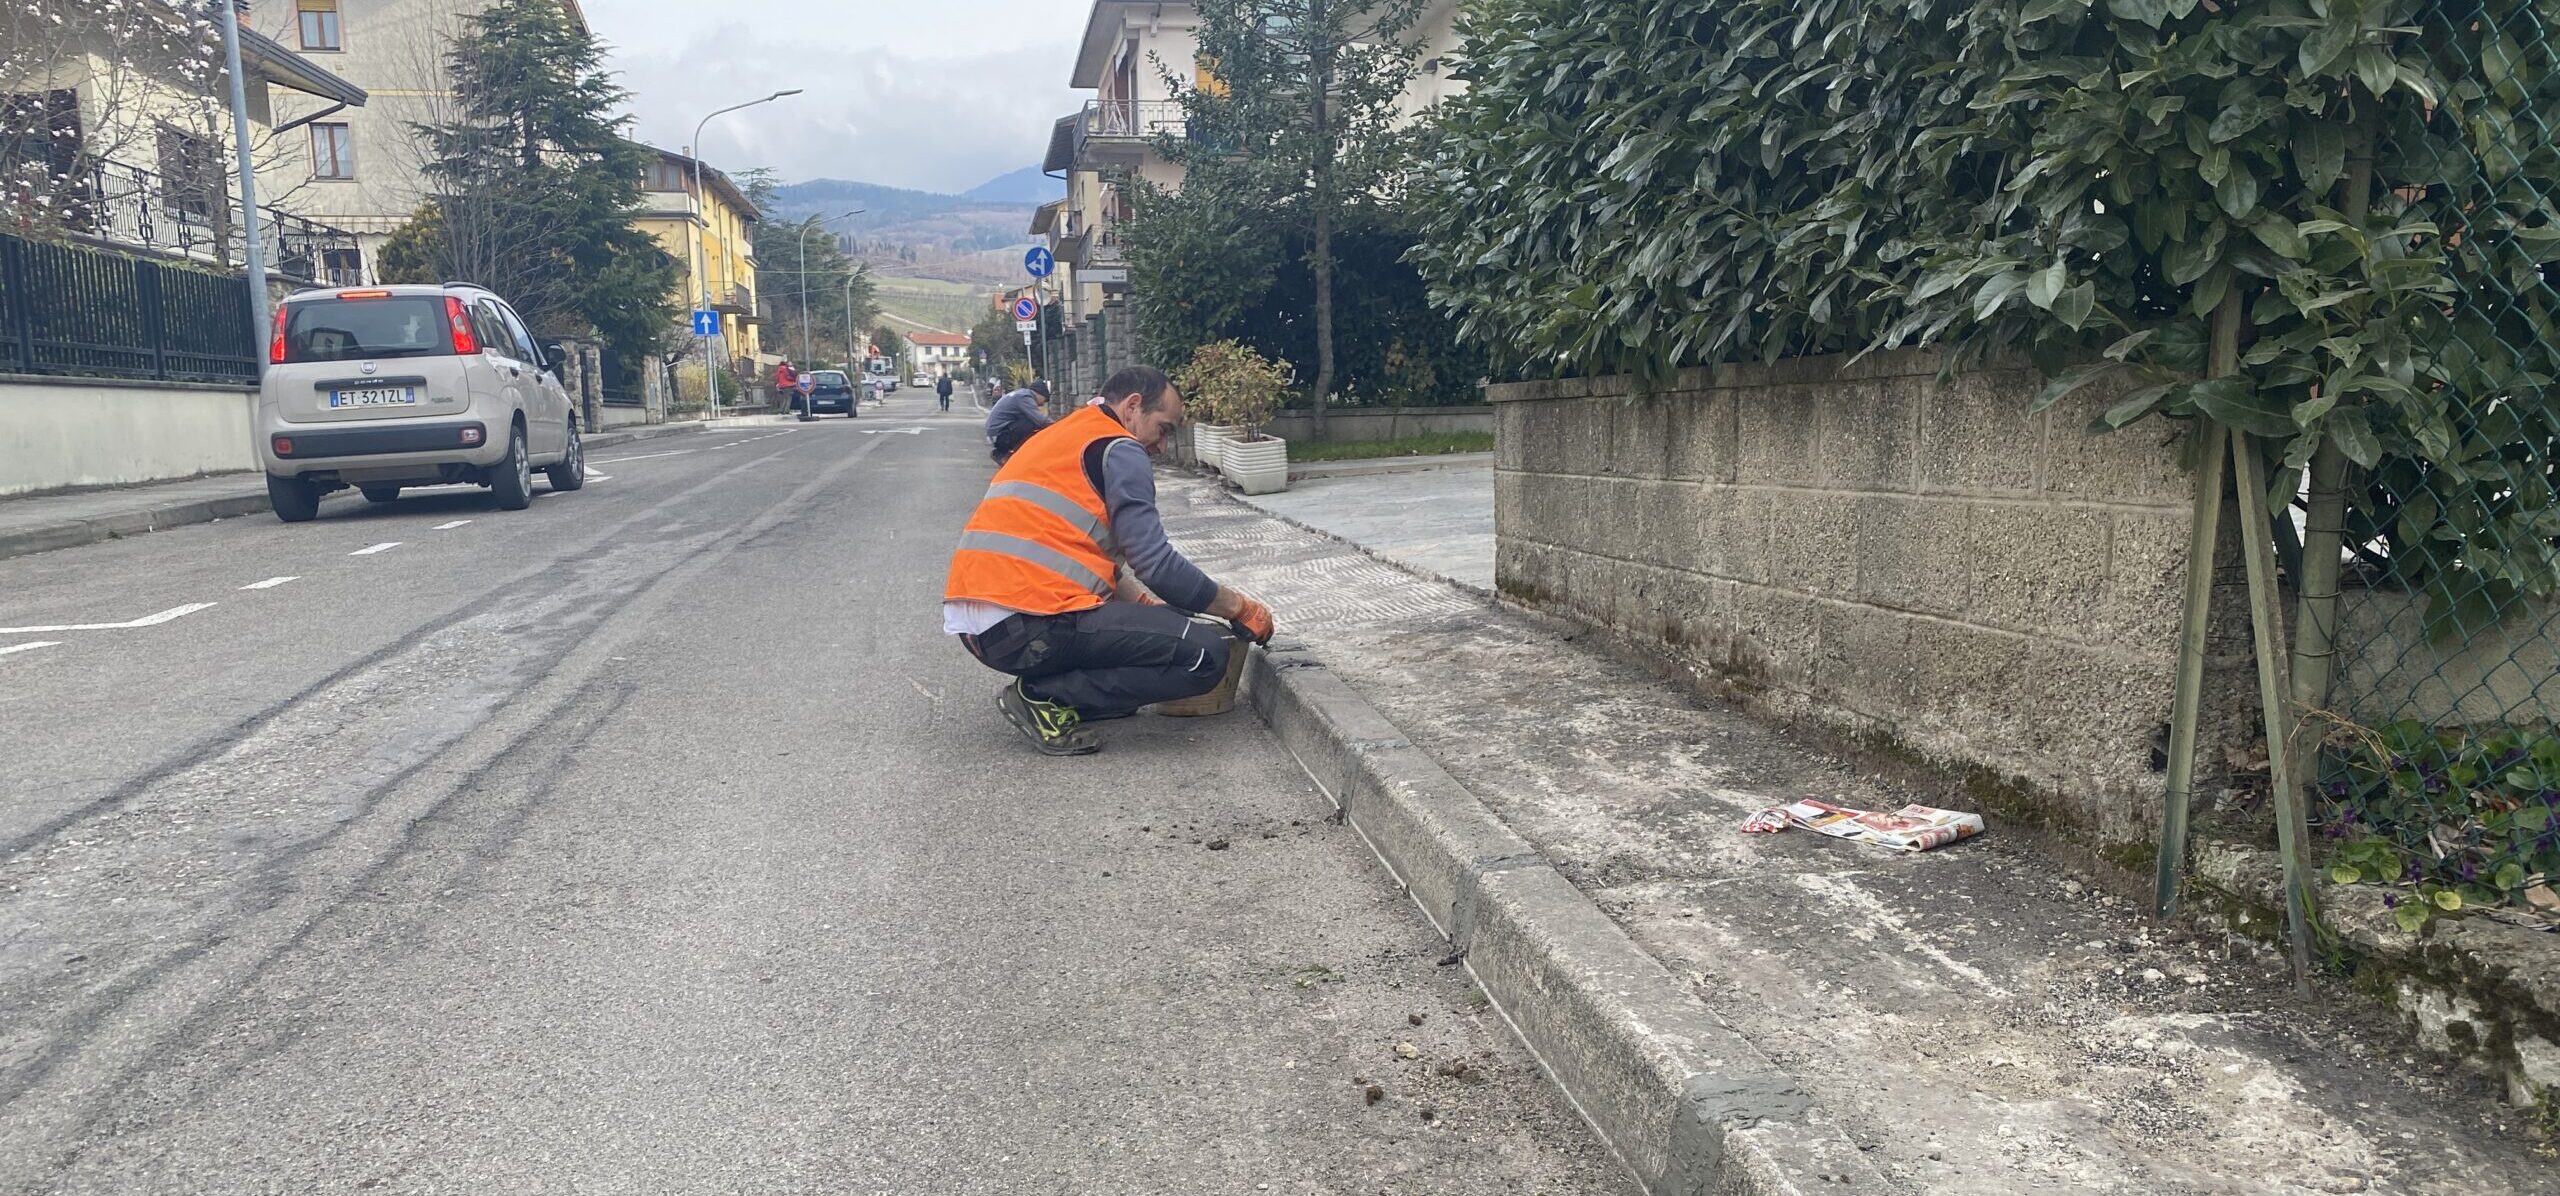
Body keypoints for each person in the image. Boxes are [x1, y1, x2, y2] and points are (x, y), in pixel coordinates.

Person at [943, 365, 1276, 756]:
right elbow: (1157, 565)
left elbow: (1078, 553)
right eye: (1164, 428)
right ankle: (1042, 696)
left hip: (987, 631)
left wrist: (1145, 610)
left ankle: (1082, 697)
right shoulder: (1120, 447)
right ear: (1133, 406)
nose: (1163, 446)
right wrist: (1238, 607)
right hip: (1032, 623)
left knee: (1163, 631)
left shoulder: (1067, 434)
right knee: (1205, 655)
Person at [982, 379, 1053, 464]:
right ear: (1040, 394)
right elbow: (1040, 420)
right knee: (1031, 423)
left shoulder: (1021, 394)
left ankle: (1010, 453)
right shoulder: (1025, 398)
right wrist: (1057, 425)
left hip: (996, 431)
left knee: (1029, 422)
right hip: (998, 434)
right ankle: (1002, 453)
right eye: (1045, 400)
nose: (1042, 404)